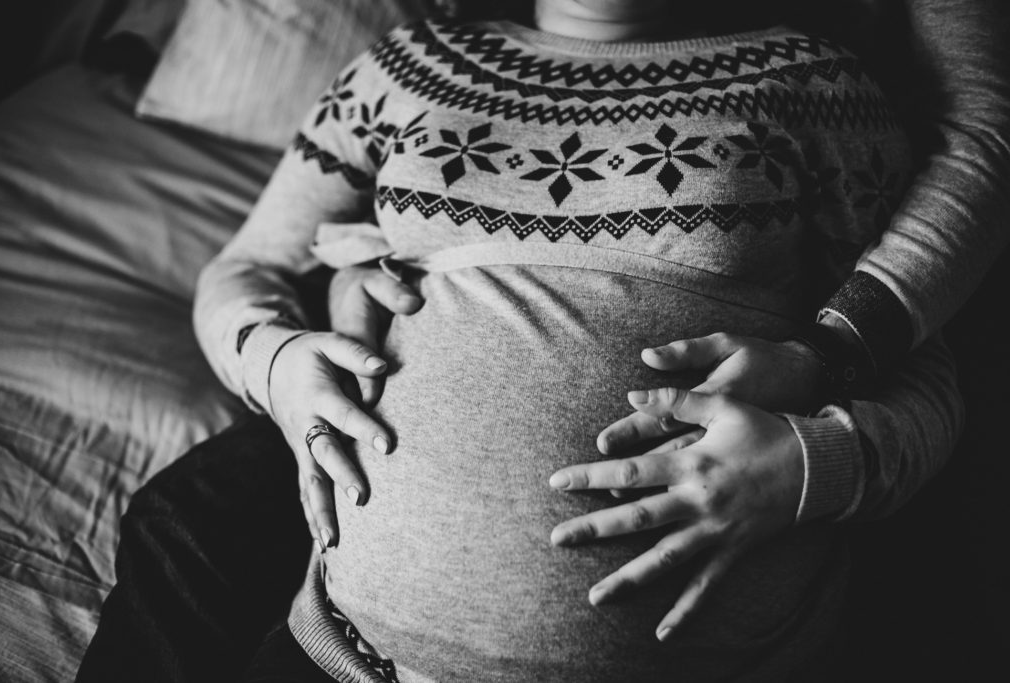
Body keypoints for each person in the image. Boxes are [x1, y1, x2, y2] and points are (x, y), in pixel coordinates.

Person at [74, 0, 1008, 681]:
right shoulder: (409, 67)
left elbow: (922, 358)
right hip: (342, 651)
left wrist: (816, 465)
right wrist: (275, 363)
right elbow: (244, 270)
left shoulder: (814, 82)